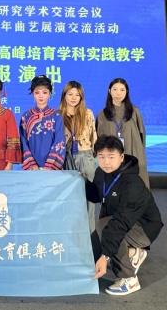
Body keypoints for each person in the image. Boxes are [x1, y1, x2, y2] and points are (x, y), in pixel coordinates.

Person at [86, 135, 163, 296]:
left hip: (144, 226)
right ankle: (134, 254)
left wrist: (105, 256)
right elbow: (97, 196)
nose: (106, 162)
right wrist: (84, 182)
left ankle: (129, 279)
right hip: (117, 220)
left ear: (121, 157)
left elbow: (121, 222)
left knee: (106, 229)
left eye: (111, 157)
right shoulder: (101, 172)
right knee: (94, 245)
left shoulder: (132, 183)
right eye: (101, 157)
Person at [58, 80, 98, 231]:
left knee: (89, 201)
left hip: (85, 156)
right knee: (70, 199)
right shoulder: (58, 115)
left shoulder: (87, 114)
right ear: (64, 95)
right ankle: (72, 235)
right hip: (66, 157)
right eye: (70, 94)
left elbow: (94, 137)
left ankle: (90, 237)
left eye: (77, 95)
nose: (74, 98)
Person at [96, 78, 149, 187]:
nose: (118, 93)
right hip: (112, 156)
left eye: (122, 90)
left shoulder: (134, 112)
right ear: (109, 91)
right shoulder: (103, 114)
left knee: (135, 185)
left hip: (133, 153)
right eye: (115, 89)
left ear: (127, 92)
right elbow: (99, 139)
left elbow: (141, 135)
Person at [19, 75, 65, 171]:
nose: (41, 96)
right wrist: (31, 164)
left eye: (44, 92)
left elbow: (59, 141)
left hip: (51, 168)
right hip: (32, 168)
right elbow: (23, 142)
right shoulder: (26, 116)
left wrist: (49, 166)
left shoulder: (56, 116)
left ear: (50, 93)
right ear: (32, 93)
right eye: (37, 92)